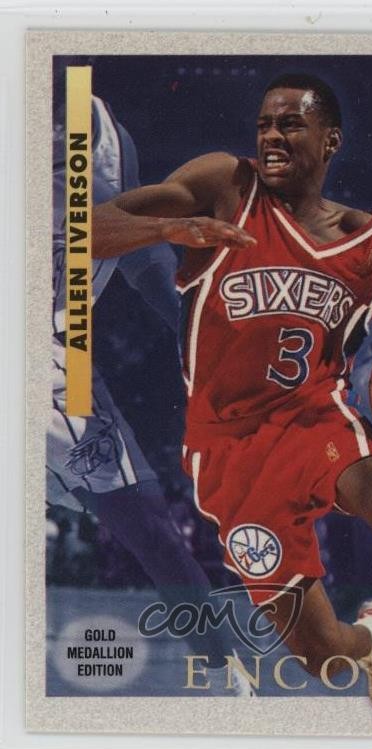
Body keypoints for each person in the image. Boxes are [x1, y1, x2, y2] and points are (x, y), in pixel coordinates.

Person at [92, 72, 372, 733]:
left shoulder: (370, 241)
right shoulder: (225, 185)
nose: (271, 135)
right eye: (264, 124)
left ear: (330, 141)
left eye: (290, 124)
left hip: (315, 418)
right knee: (321, 657)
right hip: (228, 447)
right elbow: (84, 227)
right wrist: (173, 228)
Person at [49, 78, 252, 694]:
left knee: (148, 524)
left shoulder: (102, 134)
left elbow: (131, 252)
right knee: (147, 528)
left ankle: (222, 675)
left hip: (58, 346)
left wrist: (193, 331)